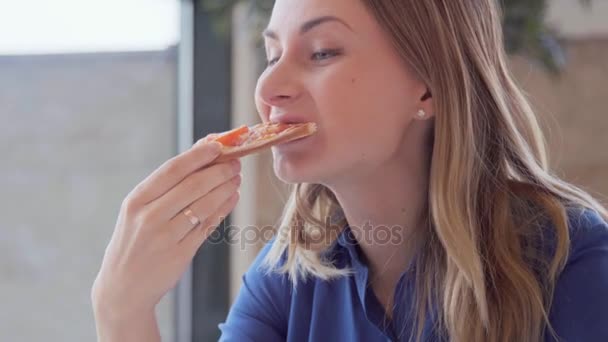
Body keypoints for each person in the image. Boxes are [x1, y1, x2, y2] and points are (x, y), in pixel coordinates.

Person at [92, 0, 608, 341]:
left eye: (320, 52)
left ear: (427, 86)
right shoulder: (285, 281)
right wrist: (122, 310)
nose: (269, 90)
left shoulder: (573, 261)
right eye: (272, 54)